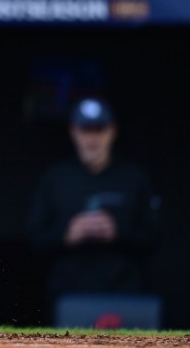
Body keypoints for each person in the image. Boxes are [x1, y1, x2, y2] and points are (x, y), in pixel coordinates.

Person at [26, 98, 162, 315]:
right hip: (66, 295)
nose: (92, 137)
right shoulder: (55, 179)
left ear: (112, 131)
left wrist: (118, 233)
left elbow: (155, 238)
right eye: (85, 129)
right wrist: (67, 235)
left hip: (125, 294)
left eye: (99, 129)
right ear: (73, 131)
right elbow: (33, 239)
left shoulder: (135, 179)